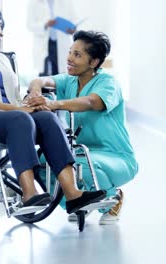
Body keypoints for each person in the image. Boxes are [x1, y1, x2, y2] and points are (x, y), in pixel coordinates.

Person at [0, 4, 106, 213]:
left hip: (12, 118)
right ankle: (29, 193)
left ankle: (73, 194)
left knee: (47, 117)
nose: (2, 32)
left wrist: (30, 102)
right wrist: (15, 110)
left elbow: (14, 95)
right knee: (21, 119)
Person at [26, 30, 138, 224]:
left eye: (77, 55)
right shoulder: (70, 80)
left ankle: (112, 199)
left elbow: (91, 102)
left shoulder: (108, 83)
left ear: (94, 62)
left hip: (116, 156)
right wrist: (36, 92)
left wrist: (55, 104)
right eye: (70, 52)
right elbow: (40, 80)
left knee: (77, 164)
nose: (69, 58)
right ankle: (78, 202)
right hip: (84, 153)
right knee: (40, 163)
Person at [27, 0, 77, 76]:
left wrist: (72, 29)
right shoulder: (34, 3)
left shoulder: (66, 2)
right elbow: (30, 25)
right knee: (44, 73)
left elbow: (74, 21)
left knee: (60, 72)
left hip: (61, 43)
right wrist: (45, 24)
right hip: (43, 42)